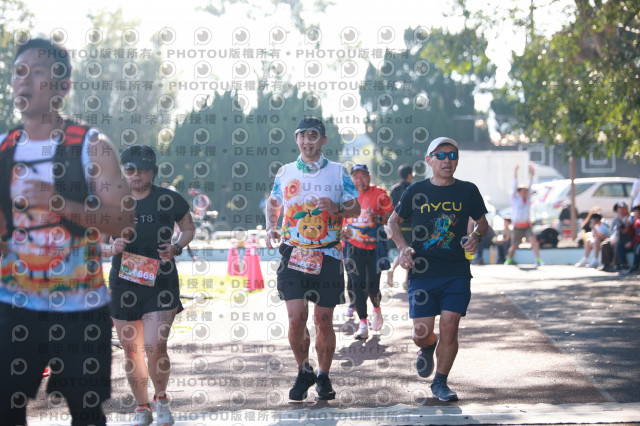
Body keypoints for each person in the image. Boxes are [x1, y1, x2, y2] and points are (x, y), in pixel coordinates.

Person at [0, 38, 133, 426]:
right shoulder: (4, 148)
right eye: (18, 73)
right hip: (13, 306)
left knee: (87, 413)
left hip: (80, 309)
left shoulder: (92, 146)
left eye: (37, 72)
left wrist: (58, 202)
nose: (24, 81)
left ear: (63, 85)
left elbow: (123, 221)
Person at [265, 117, 360, 401]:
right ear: (296, 139)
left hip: (328, 254)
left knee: (323, 319)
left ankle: (324, 376)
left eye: (313, 136)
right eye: (302, 136)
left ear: (323, 140)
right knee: (296, 318)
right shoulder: (285, 172)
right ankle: (303, 370)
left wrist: (336, 207)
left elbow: (355, 208)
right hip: (293, 253)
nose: (308, 141)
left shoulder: (338, 171)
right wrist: (270, 227)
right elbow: (274, 203)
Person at [388, 137, 489, 402]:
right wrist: (402, 248)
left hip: (456, 271)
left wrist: (476, 236)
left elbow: (482, 224)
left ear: (457, 160)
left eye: (452, 156)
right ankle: (428, 346)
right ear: (429, 160)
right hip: (422, 271)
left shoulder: (468, 190)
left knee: (450, 325)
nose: (447, 161)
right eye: (441, 155)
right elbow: (392, 222)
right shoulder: (415, 191)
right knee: (420, 334)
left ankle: (440, 382)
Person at [101, 145, 194, 426]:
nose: (136, 175)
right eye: (130, 169)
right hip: (124, 284)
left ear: (153, 172)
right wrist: (110, 248)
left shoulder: (169, 199)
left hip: (161, 282)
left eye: (143, 170)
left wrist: (176, 247)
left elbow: (188, 228)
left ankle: (161, 399)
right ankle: (142, 407)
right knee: (132, 351)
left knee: (155, 345)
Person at [343, 164, 394, 339]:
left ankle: (377, 309)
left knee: (372, 287)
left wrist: (378, 218)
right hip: (353, 247)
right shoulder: (346, 196)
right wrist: (342, 232)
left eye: (363, 176)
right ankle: (363, 325)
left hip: (374, 248)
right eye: (356, 177)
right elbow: (340, 219)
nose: (359, 180)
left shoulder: (379, 194)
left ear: (369, 177)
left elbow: (392, 217)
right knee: (357, 285)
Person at [504, 164, 543, 266]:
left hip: (527, 226)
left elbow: (530, 184)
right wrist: (515, 171)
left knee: (533, 241)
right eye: (522, 191)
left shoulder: (528, 198)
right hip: (517, 226)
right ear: (519, 192)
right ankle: (509, 259)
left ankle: (538, 259)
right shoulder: (515, 199)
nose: (524, 192)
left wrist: (532, 173)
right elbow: (514, 185)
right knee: (514, 245)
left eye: (526, 191)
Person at [386, 164, 414, 288]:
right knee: (410, 251)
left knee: (402, 250)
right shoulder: (412, 189)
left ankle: (393, 269)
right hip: (410, 226)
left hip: (395, 224)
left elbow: (390, 208)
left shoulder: (394, 189)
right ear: (409, 175)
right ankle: (406, 281)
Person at [620, 205, 640, 275]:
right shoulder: (636, 222)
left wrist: (632, 243)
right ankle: (624, 265)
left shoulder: (638, 222)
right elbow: (630, 234)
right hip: (635, 242)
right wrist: (630, 225)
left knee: (637, 247)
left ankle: (635, 267)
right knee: (620, 245)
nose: (634, 214)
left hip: (637, 243)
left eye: (635, 212)